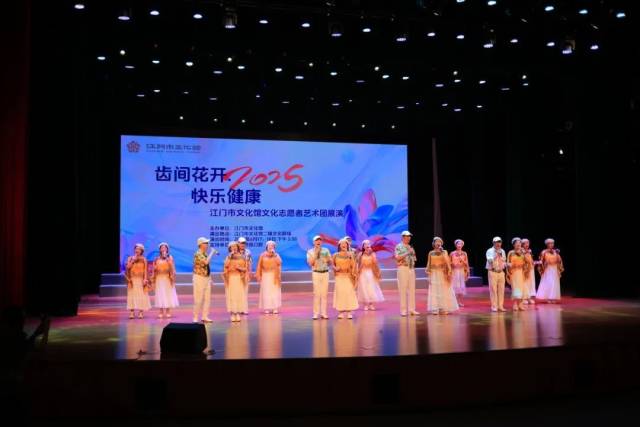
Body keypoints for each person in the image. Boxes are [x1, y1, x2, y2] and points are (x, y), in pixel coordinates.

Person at [426, 237, 458, 315]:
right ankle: (435, 308)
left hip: (442, 273)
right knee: (435, 290)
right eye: (436, 242)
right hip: (434, 273)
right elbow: (429, 263)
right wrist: (428, 274)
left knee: (443, 290)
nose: (438, 243)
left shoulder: (444, 252)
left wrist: (442, 252)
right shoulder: (431, 253)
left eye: (439, 242)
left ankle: (444, 308)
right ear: (434, 243)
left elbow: (447, 262)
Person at [192, 237, 218, 323]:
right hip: (199, 278)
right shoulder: (198, 254)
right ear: (200, 244)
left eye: (207, 243)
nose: (207, 245)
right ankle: (195, 317)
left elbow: (207, 267)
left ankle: (205, 316)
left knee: (207, 298)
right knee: (198, 298)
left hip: (206, 278)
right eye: (206, 243)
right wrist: (212, 252)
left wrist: (210, 278)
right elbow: (206, 262)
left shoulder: (205, 254)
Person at [307, 235, 333, 320]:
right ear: (314, 242)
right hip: (316, 273)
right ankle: (316, 313)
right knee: (317, 294)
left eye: (320, 240)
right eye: (317, 240)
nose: (318, 242)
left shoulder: (326, 250)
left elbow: (330, 262)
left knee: (324, 294)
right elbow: (310, 263)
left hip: (325, 273)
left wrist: (329, 260)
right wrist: (316, 254)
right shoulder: (310, 252)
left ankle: (324, 313)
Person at [332, 238, 359, 319]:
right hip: (339, 276)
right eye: (342, 243)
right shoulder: (335, 255)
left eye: (345, 244)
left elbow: (353, 265)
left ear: (347, 245)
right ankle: (341, 311)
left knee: (348, 293)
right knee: (340, 293)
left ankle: (349, 311)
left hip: (348, 276)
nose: (344, 245)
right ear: (339, 245)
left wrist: (354, 274)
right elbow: (332, 265)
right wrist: (335, 268)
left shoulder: (350, 255)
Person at [223, 241, 249, 322]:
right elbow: (226, 266)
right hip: (231, 278)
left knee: (238, 295)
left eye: (235, 246)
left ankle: (237, 312)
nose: (234, 248)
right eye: (232, 247)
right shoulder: (228, 257)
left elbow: (245, 268)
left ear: (237, 247)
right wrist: (230, 257)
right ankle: (232, 313)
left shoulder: (242, 257)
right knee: (232, 295)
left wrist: (239, 268)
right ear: (230, 248)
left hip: (239, 278)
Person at [152, 242, 179, 319]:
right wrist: (154, 269)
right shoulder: (156, 258)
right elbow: (154, 269)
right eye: (162, 248)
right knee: (160, 294)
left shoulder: (170, 257)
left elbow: (173, 268)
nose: (163, 249)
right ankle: (161, 311)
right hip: (159, 278)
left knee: (168, 294)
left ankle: (168, 311)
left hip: (167, 277)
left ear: (167, 249)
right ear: (160, 249)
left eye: (165, 247)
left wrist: (167, 260)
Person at [395, 230, 419, 316]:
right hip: (403, 269)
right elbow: (397, 258)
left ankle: (412, 309)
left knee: (412, 289)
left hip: (411, 269)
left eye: (409, 236)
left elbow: (414, 258)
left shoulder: (410, 247)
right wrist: (407, 252)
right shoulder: (399, 246)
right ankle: (403, 310)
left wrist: (413, 253)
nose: (409, 238)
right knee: (403, 289)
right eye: (407, 236)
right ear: (403, 237)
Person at [356, 240, 384, 310]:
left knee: (371, 287)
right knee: (364, 288)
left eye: (368, 244)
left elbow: (375, 263)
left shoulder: (373, 254)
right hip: (363, 273)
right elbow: (357, 263)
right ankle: (365, 304)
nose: (367, 245)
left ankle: (371, 304)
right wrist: (357, 271)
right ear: (363, 246)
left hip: (370, 272)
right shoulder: (360, 254)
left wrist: (371, 254)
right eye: (365, 244)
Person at [125, 243, 151, 319]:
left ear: (142, 251)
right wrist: (133, 260)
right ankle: (132, 312)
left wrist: (145, 279)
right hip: (132, 280)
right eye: (136, 249)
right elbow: (128, 267)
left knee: (141, 295)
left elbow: (145, 270)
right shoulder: (130, 258)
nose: (137, 250)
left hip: (140, 279)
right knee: (131, 295)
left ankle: (141, 312)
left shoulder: (144, 259)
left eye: (139, 249)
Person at [256, 240, 282, 314]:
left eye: (272, 246)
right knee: (266, 291)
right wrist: (258, 275)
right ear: (266, 247)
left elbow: (279, 263)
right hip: (265, 275)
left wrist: (274, 255)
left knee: (274, 291)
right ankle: (266, 307)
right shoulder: (262, 255)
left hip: (274, 275)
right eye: (269, 246)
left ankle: (275, 307)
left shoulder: (276, 255)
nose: (271, 247)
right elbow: (259, 265)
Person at [536, 238, 564, 303]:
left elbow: (559, 260)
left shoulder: (555, 252)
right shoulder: (544, 252)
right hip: (547, 269)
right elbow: (540, 261)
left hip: (554, 269)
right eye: (550, 243)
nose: (551, 245)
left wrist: (558, 257)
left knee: (554, 283)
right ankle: (548, 297)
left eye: (552, 243)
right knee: (548, 282)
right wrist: (544, 264)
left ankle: (553, 297)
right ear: (547, 244)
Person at [486, 236, 507, 312]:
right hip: (493, 272)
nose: (498, 244)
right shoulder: (490, 251)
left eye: (499, 242)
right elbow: (490, 260)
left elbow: (504, 260)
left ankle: (500, 306)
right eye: (496, 242)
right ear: (493, 243)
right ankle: (494, 306)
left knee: (501, 290)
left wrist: (506, 264)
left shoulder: (503, 251)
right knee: (493, 290)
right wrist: (496, 255)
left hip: (501, 272)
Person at [506, 237, 528, 311]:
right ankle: (515, 303)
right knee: (516, 288)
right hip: (514, 272)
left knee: (522, 288)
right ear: (514, 245)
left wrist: (525, 270)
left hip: (521, 272)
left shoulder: (522, 253)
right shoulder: (511, 253)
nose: (518, 245)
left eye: (519, 243)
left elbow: (526, 262)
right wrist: (509, 271)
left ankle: (520, 304)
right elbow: (508, 263)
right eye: (517, 243)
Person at [450, 239, 470, 307]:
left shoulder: (464, 253)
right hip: (454, 271)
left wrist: (467, 272)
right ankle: (453, 302)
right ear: (455, 245)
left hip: (461, 271)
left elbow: (467, 263)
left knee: (460, 287)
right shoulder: (452, 253)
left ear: (462, 245)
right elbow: (448, 262)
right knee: (454, 286)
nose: (459, 245)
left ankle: (459, 302)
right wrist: (452, 264)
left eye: (461, 244)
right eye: (458, 244)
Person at [237, 236, 253, 315]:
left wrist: (250, 272)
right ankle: (238, 308)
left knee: (245, 291)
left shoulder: (248, 252)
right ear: (238, 243)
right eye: (241, 243)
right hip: (237, 274)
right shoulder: (235, 251)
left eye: (244, 243)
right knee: (238, 292)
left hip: (245, 273)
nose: (243, 244)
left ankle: (244, 309)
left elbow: (250, 263)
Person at [521, 238, 538, 304]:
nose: (527, 244)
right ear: (522, 244)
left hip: (531, 269)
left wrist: (534, 263)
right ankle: (524, 298)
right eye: (525, 243)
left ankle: (529, 298)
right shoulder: (521, 251)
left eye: (528, 243)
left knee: (531, 283)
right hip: (525, 270)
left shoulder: (529, 251)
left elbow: (530, 260)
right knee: (525, 283)